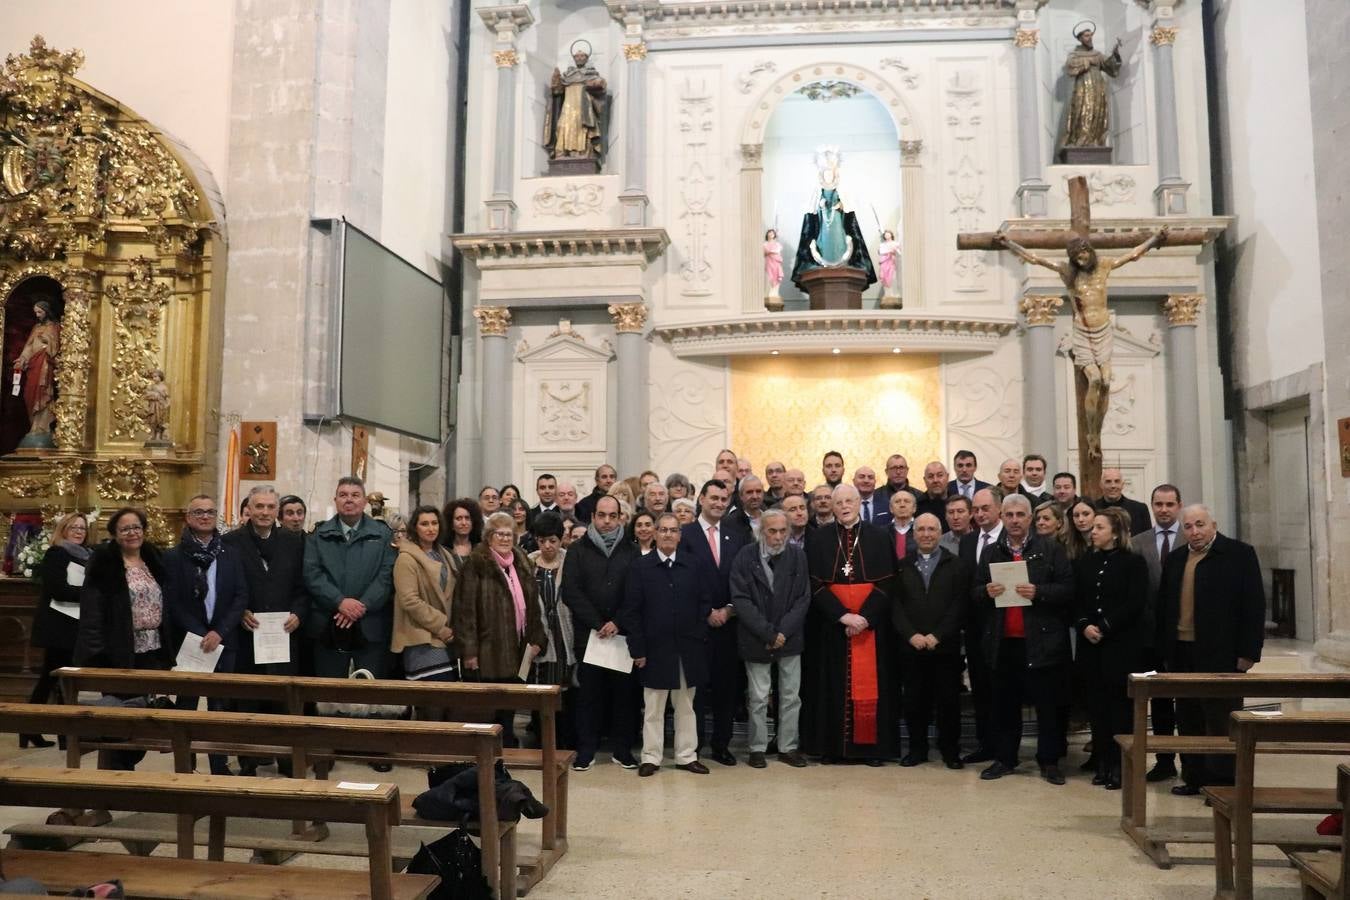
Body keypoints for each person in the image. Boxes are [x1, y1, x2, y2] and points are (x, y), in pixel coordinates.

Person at [1156, 504, 1265, 796]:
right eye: (1188, 527)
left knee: (1220, 719)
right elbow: (1165, 606)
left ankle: (1222, 784)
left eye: (1200, 525)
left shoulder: (1239, 554)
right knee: (1188, 716)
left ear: (1213, 525)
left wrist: (1249, 652)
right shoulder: (1177, 558)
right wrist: (1164, 650)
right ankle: (1193, 776)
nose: (1194, 532)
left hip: (1222, 651)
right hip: (1182, 650)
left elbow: (1253, 605)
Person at [973, 494, 1074, 785]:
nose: (1015, 520)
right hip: (1004, 642)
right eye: (1009, 515)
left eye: (1020, 515)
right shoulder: (991, 552)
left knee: (1048, 706)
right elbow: (974, 592)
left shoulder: (1051, 549)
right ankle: (1005, 758)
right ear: (1001, 517)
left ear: (1030, 518)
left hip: (1042, 642)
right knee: (1005, 705)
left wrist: (1038, 591)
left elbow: (1068, 589)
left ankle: (1049, 761)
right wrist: (985, 592)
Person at [801, 484, 899, 764]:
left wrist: (864, 617)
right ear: (831, 506)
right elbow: (814, 583)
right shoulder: (819, 538)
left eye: (849, 501)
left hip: (871, 626)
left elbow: (889, 582)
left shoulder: (879, 537)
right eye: (839, 502)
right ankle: (832, 748)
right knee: (831, 685)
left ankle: (871, 750)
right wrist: (843, 616)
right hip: (833, 627)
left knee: (872, 686)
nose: (844, 506)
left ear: (859, 503)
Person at [74, 508, 170, 775]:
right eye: (125, 529)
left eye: (137, 527)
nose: (132, 533)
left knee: (144, 717)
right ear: (115, 534)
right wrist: (98, 657)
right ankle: (113, 774)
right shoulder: (104, 563)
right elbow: (92, 613)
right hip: (118, 652)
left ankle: (121, 770)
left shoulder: (153, 558)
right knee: (118, 718)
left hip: (152, 650)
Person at [622, 513, 713, 777]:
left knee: (686, 706)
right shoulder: (641, 567)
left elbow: (704, 602)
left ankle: (686, 756)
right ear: (655, 533)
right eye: (662, 530)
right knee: (653, 708)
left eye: (673, 530)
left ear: (680, 535)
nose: (668, 535)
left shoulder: (693, 565)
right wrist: (637, 649)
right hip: (654, 650)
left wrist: (697, 632)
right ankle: (651, 757)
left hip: (688, 649)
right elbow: (632, 611)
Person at [225, 485, 307, 775]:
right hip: (248, 634)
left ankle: (287, 758)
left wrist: (298, 613)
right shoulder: (231, 542)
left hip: (283, 634)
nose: (265, 513)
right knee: (249, 699)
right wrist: (240, 613)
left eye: (270, 507)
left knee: (284, 699)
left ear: (277, 511)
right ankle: (248, 760)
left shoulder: (293, 541)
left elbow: (302, 587)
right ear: (249, 508)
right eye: (259, 506)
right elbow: (226, 588)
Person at [165, 494, 249, 775]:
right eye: (198, 512)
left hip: (225, 639)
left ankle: (219, 763)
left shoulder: (231, 553)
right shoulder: (174, 556)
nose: (204, 516)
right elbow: (173, 600)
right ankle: (184, 762)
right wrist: (202, 633)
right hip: (191, 641)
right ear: (188, 518)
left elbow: (240, 595)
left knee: (220, 706)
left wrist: (220, 631)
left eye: (210, 512)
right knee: (187, 704)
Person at [559, 495, 640, 770]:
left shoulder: (631, 550)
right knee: (589, 696)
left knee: (624, 695)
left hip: (622, 635)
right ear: (593, 516)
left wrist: (616, 622)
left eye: (612, 516)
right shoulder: (577, 550)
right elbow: (570, 590)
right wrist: (597, 622)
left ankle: (622, 749)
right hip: (590, 636)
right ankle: (586, 749)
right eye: (602, 515)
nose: (607, 521)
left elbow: (636, 593)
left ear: (620, 518)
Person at [453, 511, 547, 747]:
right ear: (488, 537)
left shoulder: (522, 561)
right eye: (499, 534)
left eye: (509, 534)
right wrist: (470, 651)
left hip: (517, 645)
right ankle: (486, 746)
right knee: (488, 702)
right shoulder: (476, 563)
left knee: (511, 696)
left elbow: (532, 606)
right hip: (488, 647)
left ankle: (506, 741)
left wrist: (536, 638)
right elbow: (465, 611)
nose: (505, 539)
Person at [1074, 508, 1149, 791]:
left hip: (1120, 645)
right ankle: (1103, 761)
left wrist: (1104, 626)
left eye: (1099, 527)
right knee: (1097, 708)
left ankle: (1121, 765)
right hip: (1091, 646)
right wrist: (1084, 625)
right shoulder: (1086, 562)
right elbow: (1078, 599)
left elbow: (1134, 602)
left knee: (1120, 708)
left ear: (1115, 532)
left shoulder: (1133, 563)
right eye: (1093, 527)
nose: (1092, 532)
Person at [729, 509, 810, 769]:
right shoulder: (745, 556)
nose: (777, 537)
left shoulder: (798, 556)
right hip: (757, 637)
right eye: (771, 531)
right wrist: (768, 632)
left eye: (782, 531)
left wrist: (782, 632)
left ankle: (788, 746)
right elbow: (741, 599)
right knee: (759, 696)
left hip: (790, 637)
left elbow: (803, 598)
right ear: (761, 531)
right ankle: (757, 748)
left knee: (790, 695)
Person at [679, 479, 753, 766]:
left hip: (730, 625)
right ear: (701, 499)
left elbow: (745, 577)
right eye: (714, 498)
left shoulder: (738, 535)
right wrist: (706, 611)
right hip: (697, 626)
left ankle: (721, 745)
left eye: (724, 499)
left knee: (726, 689)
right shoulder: (685, 535)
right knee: (695, 691)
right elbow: (682, 581)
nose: (719, 503)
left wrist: (730, 609)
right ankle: (692, 746)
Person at [893, 513, 970, 769]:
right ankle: (917, 750)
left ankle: (950, 751)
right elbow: (896, 605)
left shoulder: (956, 564)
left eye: (932, 530)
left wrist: (938, 635)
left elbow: (959, 605)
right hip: (911, 646)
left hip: (944, 647)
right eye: (921, 530)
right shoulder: (902, 566)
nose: (926, 534)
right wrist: (911, 635)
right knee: (914, 701)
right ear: (913, 535)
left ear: (940, 533)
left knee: (948, 701)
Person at [303, 476, 397, 679]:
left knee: (369, 699)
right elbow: (312, 574)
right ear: (335, 500)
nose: (349, 500)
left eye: (355, 495)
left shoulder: (383, 535)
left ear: (364, 501)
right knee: (328, 698)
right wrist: (339, 602)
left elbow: (386, 576)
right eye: (343, 495)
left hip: (370, 626)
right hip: (329, 625)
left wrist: (361, 605)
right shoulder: (318, 535)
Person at [22, 512, 90, 748]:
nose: (79, 531)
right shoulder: (57, 553)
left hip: (74, 624)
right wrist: (89, 595)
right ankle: (63, 735)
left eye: (82, 528)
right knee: (58, 679)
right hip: (58, 626)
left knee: (53, 679)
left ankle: (30, 729)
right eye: (74, 527)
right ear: (63, 530)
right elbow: (57, 589)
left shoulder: (87, 555)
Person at [1131, 483, 1183, 783]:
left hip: (1184, 635)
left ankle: (1194, 760)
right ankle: (1164, 761)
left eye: (1169, 504)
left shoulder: (1191, 537)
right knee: (1160, 702)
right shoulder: (1139, 542)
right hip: (1149, 636)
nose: (1163, 510)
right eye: (1158, 504)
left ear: (1178, 505)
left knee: (1189, 702)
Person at [957, 488, 1003, 764]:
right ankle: (985, 744)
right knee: (981, 689)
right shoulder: (969, 540)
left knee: (1002, 688)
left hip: (1001, 625)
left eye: (985, 508)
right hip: (975, 627)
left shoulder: (1010, 540)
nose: (980, 514)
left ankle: (1004, 747)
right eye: (976, 509)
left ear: (998, 509)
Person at [392, 505, 457, 689]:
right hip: (421, 637)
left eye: (435, 523)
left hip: (446, 638)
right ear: (415, 527)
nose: (431, 528)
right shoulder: (407, 558)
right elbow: (409, 600)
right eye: (424, 524)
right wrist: (440, 626)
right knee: (433, 701)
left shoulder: (444, 553)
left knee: (447, 699)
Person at [528, 513, 576, 749]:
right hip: (540, 637)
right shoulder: (527, 564)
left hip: (564, 635)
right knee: (540, 692)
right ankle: (541, 743)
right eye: (542, 540)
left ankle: (564, 743)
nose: (547, 546)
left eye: (553, 541)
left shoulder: (571, 561)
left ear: (561, 539)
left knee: (564, 693)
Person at [1094, 468, 1152, 536]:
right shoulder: (1093, 508)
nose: (1113, 486)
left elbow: (1148, 539)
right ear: (1101, 485)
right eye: (1108, 481)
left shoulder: (1140, 509)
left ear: (1122, 485)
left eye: (1117, 481)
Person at [442, 498, 483, 573]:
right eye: (459, 518)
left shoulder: (481, 549)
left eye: (467, 518)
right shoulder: (443, 550)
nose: (464, 523)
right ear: (451, 524)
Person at [878, 490, 917, 560]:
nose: (902, 505)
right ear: (891, 508)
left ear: (914, 508)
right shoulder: (882, 533)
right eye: (897, 502)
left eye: (907, 501)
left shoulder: (922, 531)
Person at [915, 462, 951, 531]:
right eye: (930, 476)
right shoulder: (917, 506)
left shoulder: (957, 503)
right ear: (924, 480)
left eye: (940, 475)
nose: (935, 480)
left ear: (947, 477)